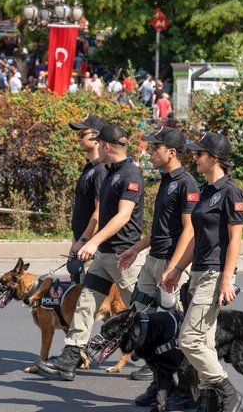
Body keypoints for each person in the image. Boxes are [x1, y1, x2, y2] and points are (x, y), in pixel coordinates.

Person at [37, 124, 145, 381]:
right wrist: (88, 240)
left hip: (123, 255)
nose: (96, 146)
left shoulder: (131, 174)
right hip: (104, 256)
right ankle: (70, 357)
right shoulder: (108, 173)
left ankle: (159, 359)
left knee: (140, 309)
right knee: (86, 303)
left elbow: (123, 216)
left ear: (106, 146)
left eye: (99, 142)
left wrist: (93, 242)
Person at [163, 131, 243, 412]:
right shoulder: (205, 191)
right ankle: (207, 409)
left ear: (214, 158)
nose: (194, 158)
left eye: (199, 154)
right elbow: (196, 237)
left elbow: (235, 239)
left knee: (189, 339)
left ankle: (229, 393)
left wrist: (227, 279)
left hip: (214, 273)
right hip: (197, 271)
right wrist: (176, 269)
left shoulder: (230, 193)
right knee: (205, 342)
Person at [117, 127, 199, 395]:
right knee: (142, 316)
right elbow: (159, 228)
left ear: (171, 152)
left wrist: (175, 268)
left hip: (170, 263)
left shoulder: (187, 183)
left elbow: (189, 230)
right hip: (153, 259)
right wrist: (134, 249)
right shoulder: (165, 180)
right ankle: (158, 381)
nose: (150, 152)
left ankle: (181, 389)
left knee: (171, 326)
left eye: (155, 148)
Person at [68, 114, 108, 262]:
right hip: (81, 241)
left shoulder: (101, 170)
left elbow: (99, 211)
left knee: (87, 285)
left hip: (89, 246)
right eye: (78, 134)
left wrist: (84, 241)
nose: (79, 138)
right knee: (77, 283)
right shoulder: (90, 168)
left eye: (82, 134)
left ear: (96, 137)